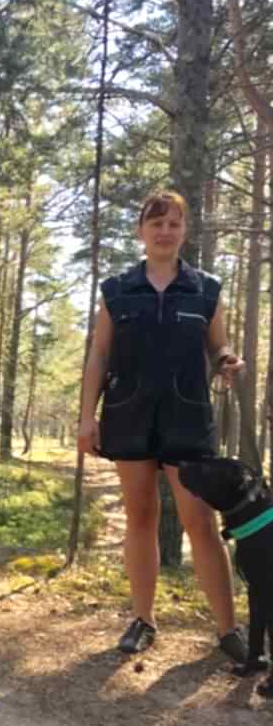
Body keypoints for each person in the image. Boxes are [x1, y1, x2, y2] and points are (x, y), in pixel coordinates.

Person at [78, 191, 247, 659]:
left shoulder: (206, 289)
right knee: (140, 516)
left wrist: (227, 360)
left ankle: (228, 630)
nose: (165, 231)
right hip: (128, 414)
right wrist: (87, 417)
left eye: (174, 223)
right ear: (141, 231)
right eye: (156, 223)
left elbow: (218, 346)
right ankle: (143, 620)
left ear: (184, 231)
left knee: (200, 521)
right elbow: (99, 355)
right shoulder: (117, 291)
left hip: (187, 418)